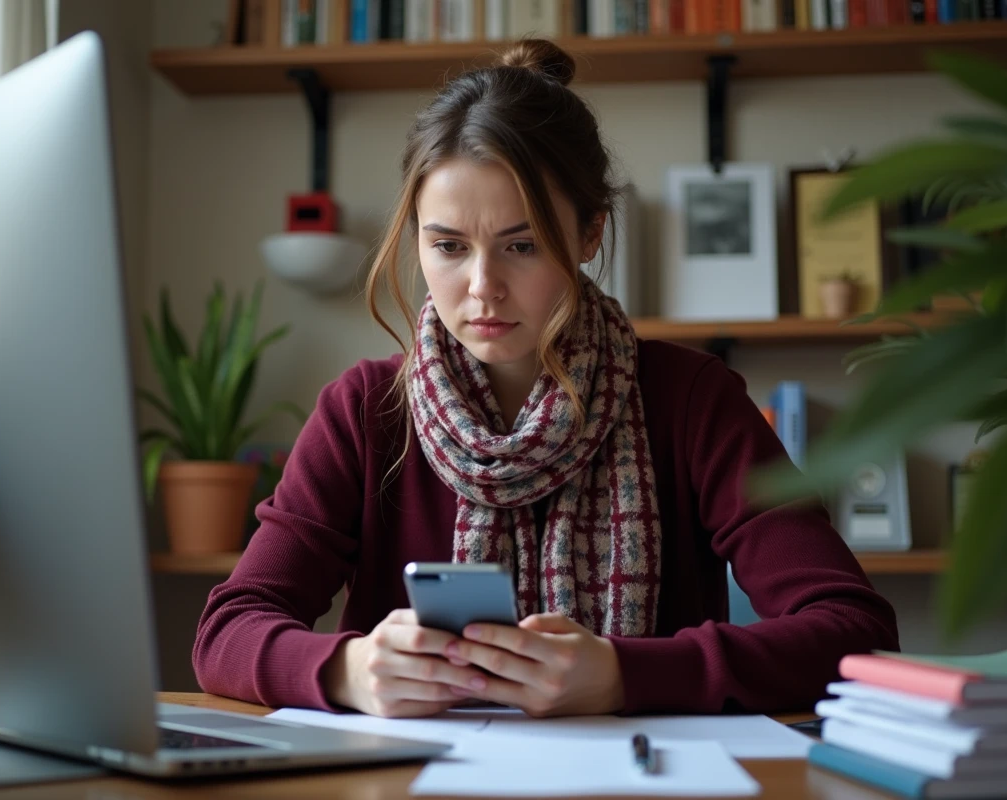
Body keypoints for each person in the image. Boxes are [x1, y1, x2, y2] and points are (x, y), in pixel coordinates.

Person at [192, 38, 899, 719]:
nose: (482, 286)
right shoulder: (364, 410)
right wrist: (348, 670)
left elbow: (854, 631)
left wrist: (623, 674)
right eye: (448, 246)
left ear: (590, 234)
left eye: (522, 245)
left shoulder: (692, 400)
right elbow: (226, 632)